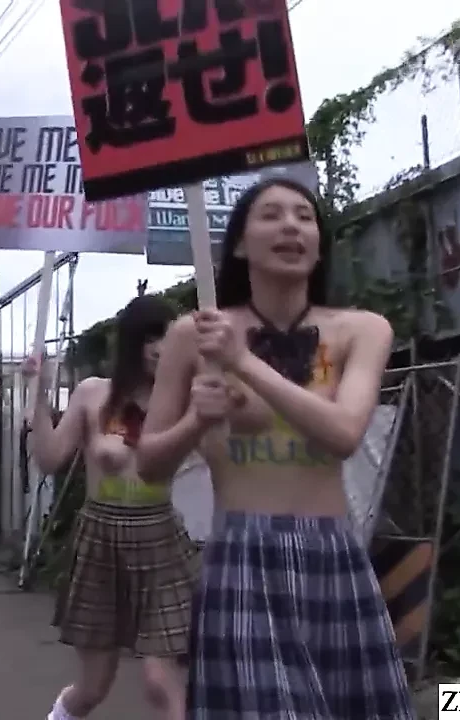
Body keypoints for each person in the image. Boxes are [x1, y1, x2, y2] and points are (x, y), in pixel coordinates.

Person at [134, 177, 415, 719]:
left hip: (335, 554)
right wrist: (197, 420)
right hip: (241, 555)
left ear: (320, 244)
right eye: (271, 215)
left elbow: (343, 433)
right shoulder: (192, 335)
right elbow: (150, 465)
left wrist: (242, 363)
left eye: (304, 217)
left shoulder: (362, 329)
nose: (291, 226)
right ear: (240, 244)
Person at [23, 294, 199, 720]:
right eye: (150, 337)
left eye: (168, 337)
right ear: (131, 343)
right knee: (93, 686)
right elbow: (50, 458)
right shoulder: (93, 393)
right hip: (100, 536)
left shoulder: (182, 400)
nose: (160, 348)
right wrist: (38, 395)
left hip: (159, 536)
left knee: (160, 680)